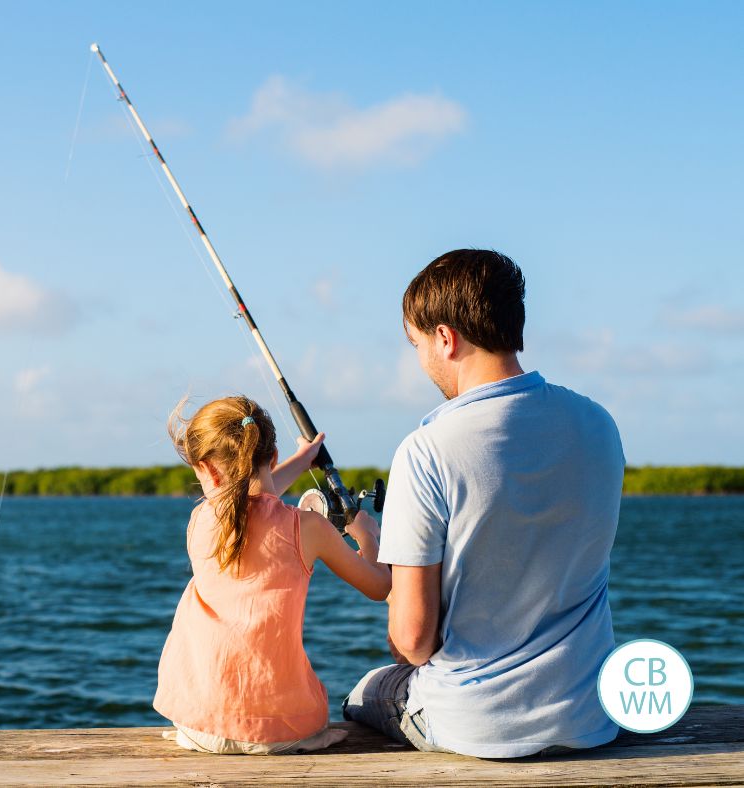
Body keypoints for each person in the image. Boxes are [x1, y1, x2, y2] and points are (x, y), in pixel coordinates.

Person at [344, 249, 625, 758]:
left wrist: (390, 575)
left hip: (476, 727)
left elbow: (413, 643)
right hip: (591, 715)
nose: (420, 359)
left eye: (417, 344)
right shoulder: (598, 424)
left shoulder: (426, 450)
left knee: (365, 692)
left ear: (445, 338)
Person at [154, 395, 391, 755]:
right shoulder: (309, 527)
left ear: (206, 470)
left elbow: (242, 501)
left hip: (198, 724)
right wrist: (368, 538)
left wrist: (302, 461)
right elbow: (379, 586)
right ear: (272, 457)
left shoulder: (200, 520)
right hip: (286, 731)